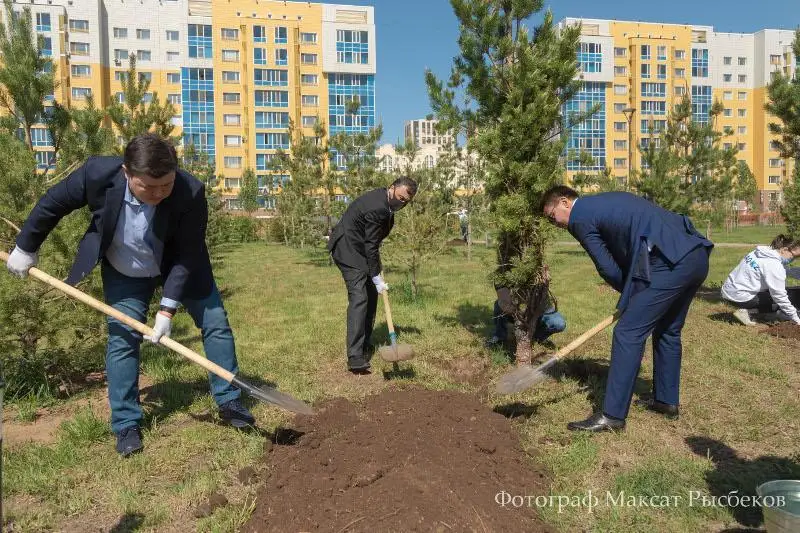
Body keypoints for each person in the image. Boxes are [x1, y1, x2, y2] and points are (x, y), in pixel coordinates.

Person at [5, 134, 254, 457]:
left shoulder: (190, 191)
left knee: (215, 321)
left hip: (179, 264)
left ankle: (230, 400)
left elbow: (188, 253)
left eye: (164, 186)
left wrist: (166, 310)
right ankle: (126, 423)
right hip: (125, 267)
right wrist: (26, 246)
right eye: (147, 187)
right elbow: (54, 203)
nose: (157, 194)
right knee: (123, 337)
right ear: (126, 172)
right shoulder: (96, 173)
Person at [540, 185, 713, 432]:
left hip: (670, 263)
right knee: (667, 330)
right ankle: (666, 401)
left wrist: (631, 294)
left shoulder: (580, 217)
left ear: (565, 202)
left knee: (628, 333)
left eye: (552, 216)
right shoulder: (606, 200)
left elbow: (606, 267)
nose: (554, 223)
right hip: (695, 255)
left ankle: (612, 416)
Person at [327, 177, 417, 374]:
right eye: (400, 197)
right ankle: (355, 357)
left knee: (372, 296)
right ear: (391, 188)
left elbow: (372, 242)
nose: (401, 203)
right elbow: (371, 245)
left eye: (405, 202)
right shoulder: (378, 207)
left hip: (362, 248)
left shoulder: (386, 203)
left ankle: (365, 341)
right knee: (360, 297)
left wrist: (375, 274)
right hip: (348, 250)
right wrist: (376, 276)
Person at [721, 234, 800, 326]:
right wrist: (795, 317)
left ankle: (759, 312)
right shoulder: (774, 265)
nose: (793, 259)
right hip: (739, 297)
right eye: (794, 256)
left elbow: (768, 272)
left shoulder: (760, 252)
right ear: (784, 250)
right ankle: (749, 311)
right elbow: (779, 296)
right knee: (781, 298)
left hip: (728, 290)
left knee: (772, 293)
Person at [486, 286, 566, 348]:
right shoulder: (502, 271)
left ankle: (537, 336)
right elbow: (503, 299)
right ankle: (499, 336)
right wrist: (520, 316)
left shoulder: (536, 270)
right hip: (515, 307)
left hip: (541, 308)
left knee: (559, 324)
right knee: (499, 305)